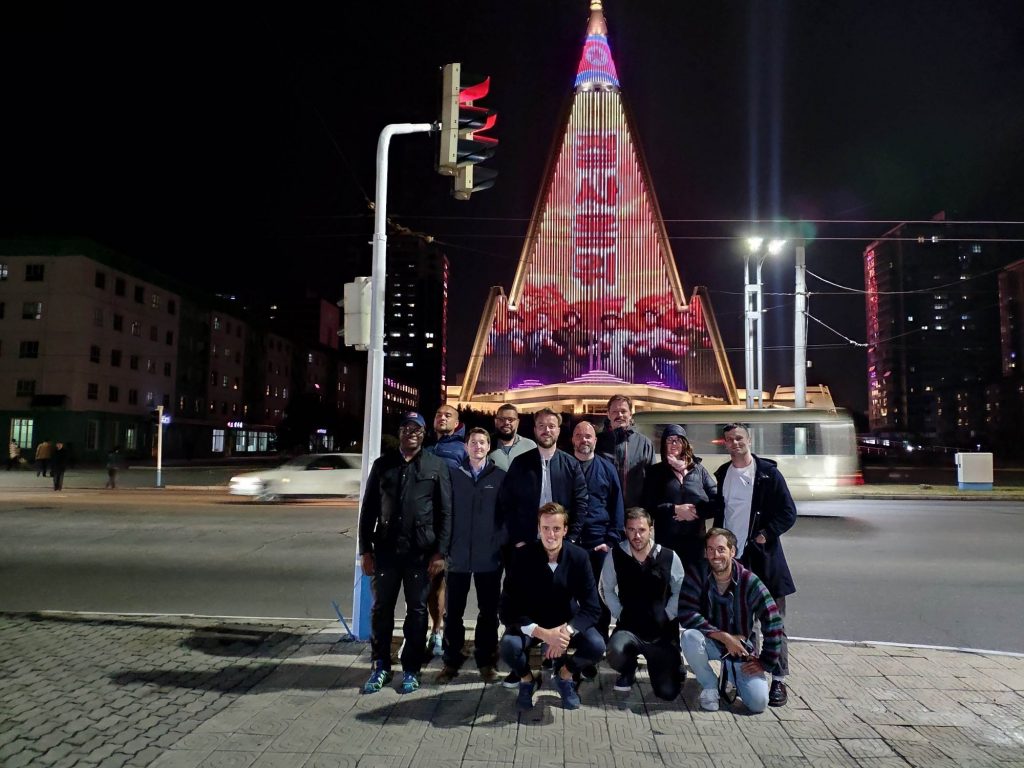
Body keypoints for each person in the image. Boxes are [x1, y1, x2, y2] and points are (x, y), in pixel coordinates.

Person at [358, 411, 452, 695]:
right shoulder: (383, 465)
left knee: (418, 612)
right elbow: (369, 510)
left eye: (417, 429)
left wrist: (440, 553)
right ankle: (381, 666)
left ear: (424, 434)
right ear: (399, 432)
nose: (411, 432)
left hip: (420, 553)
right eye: (406, 428)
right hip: (386, 550)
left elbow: (446, 512)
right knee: (381, 611)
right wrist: (365, 550)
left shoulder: (436, 465)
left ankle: (411, 669)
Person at [712, 423, 797, 707]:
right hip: (734, 562)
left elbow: (788, 512)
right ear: (725, 444)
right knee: (743, 623)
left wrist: (765, 534)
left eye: (739, 438)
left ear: (749, 440)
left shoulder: (768, 474)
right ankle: (749, 675)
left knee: (774, 623)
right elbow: (719, 511)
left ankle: (779, 681)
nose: (735, 443)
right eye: (729, 440)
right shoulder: (723, 473)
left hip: (765, 559)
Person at [499, 502, 604, 711]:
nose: (550, 534)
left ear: (565, 530)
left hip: (565, 620)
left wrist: (566, 632)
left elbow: (592, 607)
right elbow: (507, 608)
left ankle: (565, 676)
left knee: (597, 645)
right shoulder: (522, 557)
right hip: (532, 623)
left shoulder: (579, 557)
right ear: (538, 529)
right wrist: (544, 634)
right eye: (545, 528)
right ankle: (527, 680)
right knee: (508, 646)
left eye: (556, 528)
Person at [679, 528, 784, 714]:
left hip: (740, 650)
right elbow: (686, 613)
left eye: (721, 549)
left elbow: (774, 622)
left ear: (732, 551)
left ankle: (731, 675)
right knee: (689, 637)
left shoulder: (749, 581)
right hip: (711, 641)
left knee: (758, 703)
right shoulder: (697, 574)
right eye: (710, 549)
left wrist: (765, 661)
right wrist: (726, 638)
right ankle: (710, 685)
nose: (715, 555)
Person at [439, 428, 506, 683]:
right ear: (465, 447)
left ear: (489, 446)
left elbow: (505, 515)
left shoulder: (499, 477)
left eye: (482, 442)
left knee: (488, 612)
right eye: (473, 442)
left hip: (488, 558)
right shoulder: (453, 476)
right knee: (453, 613)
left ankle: (486, 660)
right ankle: (451, 661)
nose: (478, 446)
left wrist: (498, 543)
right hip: (457, 558)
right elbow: (444, 513)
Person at [600, 507, 684, 699]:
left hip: (661, 633)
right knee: (616, 650)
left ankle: (670, 663)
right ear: (625, 530)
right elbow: (606, 589)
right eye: (631, 530)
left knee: (668, 693)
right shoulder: (615, 555)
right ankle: (628, 670)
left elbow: (681, 590)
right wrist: (619, 612)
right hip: (629, 630)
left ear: (651, 529)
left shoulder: (669, 557)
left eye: (642, 530)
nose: (636, 535)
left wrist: (668, 614)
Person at [498, 407, 588, 550]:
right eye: (541, 426)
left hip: (561, 544)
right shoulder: (520, 463)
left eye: (551, 426)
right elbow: (508, 503)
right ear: (535, 430)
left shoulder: (571, 465)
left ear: (558, 430)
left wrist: (571, 539)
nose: (546, 430)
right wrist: (518, 539)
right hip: (526, 544)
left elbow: (581, 503)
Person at [571, 420, 623, 660]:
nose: (584, 440)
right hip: (569, 544)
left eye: (588, 436)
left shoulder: (606, 467)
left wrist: (611, 540)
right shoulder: (565, 465)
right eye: (579, 436)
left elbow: (617, 505)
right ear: (572, 439)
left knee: (598, 597)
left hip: (598, 543)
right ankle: (570, 640)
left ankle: (597, 643)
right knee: (568, 595)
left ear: (595, 440)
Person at [424, 403, 467, 658]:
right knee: (434, 580)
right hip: (431, 525)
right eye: (438, 414)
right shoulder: (427, 447)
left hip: (456, 524)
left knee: (456, 583)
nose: (442, 418)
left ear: (457, 422)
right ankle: (436, 631)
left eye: (448, 415)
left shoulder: (462, 448)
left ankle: (452, 635)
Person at [643, 425, 718, 568]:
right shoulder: (656, 472)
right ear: (664, 444)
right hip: (668, 541)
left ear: (684, 443)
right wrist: (675, 509)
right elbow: (648, 506)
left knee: (695, 583)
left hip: (695, 541)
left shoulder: (698, 470)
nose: (673, 444)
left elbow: (716, 501)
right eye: (669, 440)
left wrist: (696, 511)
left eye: (677, 440)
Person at [596, 394, 655, 509]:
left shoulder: (644, 444)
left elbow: (652, 482)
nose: (620, 415)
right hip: (605, 512)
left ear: (630, 414)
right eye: (615, 412)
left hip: (635, 513)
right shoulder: (598, 443)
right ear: (608, 414)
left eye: (623, 411)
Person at [488, 403, 536, 471]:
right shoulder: (484, 444)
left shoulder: (530, 446)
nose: (506, 423)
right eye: (502, 419)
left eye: (510, 419)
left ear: (517, 422)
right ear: (495, 421)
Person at [598, 311, 633, 381]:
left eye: (612, 319)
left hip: (623, 371)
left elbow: (633, 349)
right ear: (603, 322)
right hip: (605, 371)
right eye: (607, 319)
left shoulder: (626, 334)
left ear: (617, 321)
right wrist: (600, 348)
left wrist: (629, 349)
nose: (610, 321)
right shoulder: (598, 336)